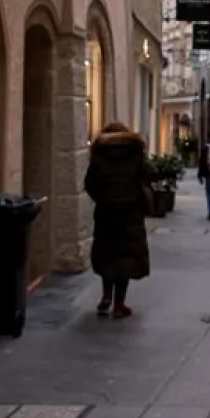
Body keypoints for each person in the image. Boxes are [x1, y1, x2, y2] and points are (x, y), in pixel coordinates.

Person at [83, 122, 152, 318]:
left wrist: (103, 198)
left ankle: (106, 296)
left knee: (108, 254)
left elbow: (89, 184)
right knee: (125, 257)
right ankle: (119, 305)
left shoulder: (99, 155)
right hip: (130, 213)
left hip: (106, 213)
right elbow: (149, 174)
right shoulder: (135, 153)